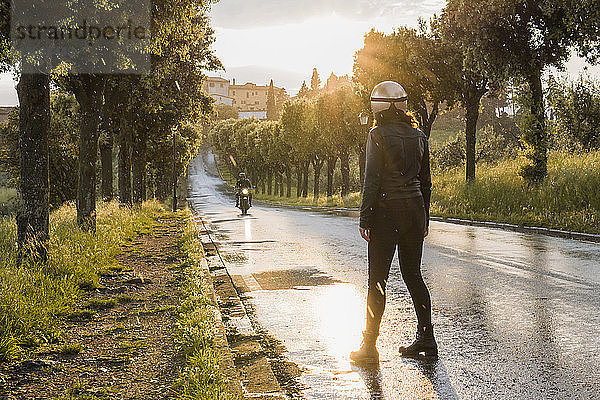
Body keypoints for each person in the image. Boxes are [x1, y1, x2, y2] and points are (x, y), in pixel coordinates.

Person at [350, 81, 436, 364]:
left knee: (378, 281)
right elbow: (425, 182)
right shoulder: (419, 135)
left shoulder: (376, 134)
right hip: (414, 212)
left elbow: (371, 179)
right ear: (403, 104)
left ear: (377, 105)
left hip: (386, 213)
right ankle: (426, 338)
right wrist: (425, 217)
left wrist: (365, 216)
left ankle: (369, 347)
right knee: (413, 275)